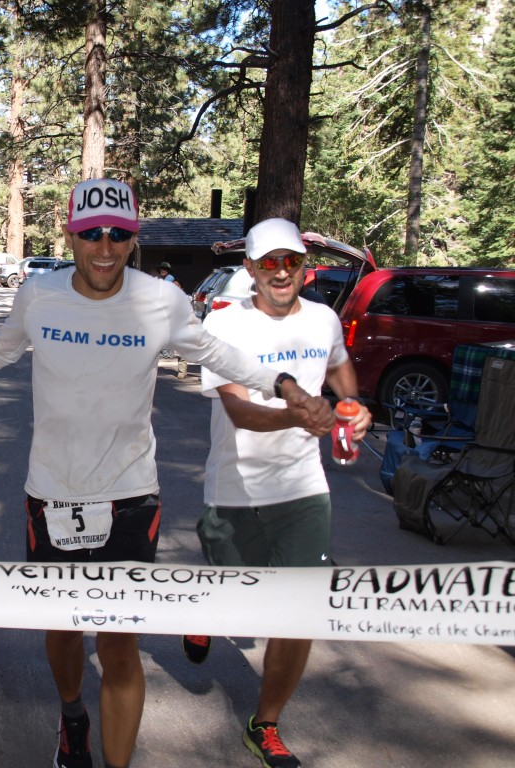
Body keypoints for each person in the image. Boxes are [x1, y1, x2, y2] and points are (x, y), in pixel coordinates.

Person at [0, 179, 324, 768]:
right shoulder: (41, 294)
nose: (105, 248)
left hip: (131, 496)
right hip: (50, 495)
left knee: (119, 642)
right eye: (91, 234)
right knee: (61, 633)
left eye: (119, 234)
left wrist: (287, 388)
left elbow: (219, 354)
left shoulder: (160, 300)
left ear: (134, 237)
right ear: (70, 234)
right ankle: (72, 716)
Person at [195, 217, 371, 768]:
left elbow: (340, 368)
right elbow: (240, 411)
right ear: (249, 268)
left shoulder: (322, 319)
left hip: (302, 489)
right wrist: (299, 415)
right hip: (235, 487)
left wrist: (354, 406)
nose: (280, 272)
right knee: (235, 594)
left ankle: (265, 722)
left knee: (300, 610)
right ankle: (204, 612)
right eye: (267, 262)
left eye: (290, 261)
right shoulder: (225, 325)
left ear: (302, 266)